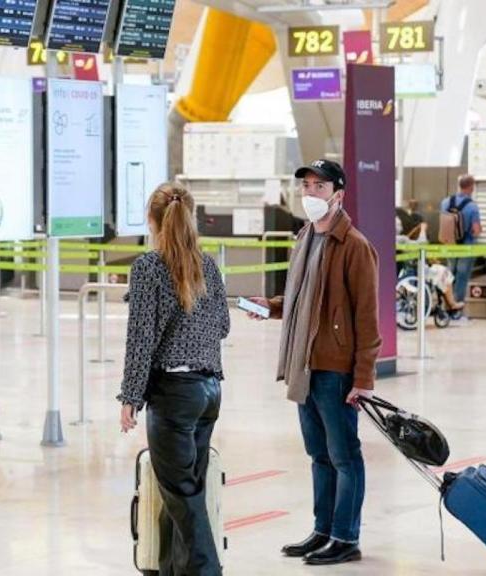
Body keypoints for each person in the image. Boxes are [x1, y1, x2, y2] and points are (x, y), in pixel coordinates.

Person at [248, 159, 382, 566]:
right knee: (319, 455)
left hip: (335, 369)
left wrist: (364, 377)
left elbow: (366, 318)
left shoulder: (355, 246)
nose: (310, 194)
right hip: (305, 364)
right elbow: (302, 297)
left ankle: (346, 537)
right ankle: (323, 530)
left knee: (344, 456)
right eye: (306, 186)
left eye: (319, 187)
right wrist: (271, 307)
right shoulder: (306, 237)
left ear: (338, 195)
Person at [118, 183, 230, 576]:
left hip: (174, 397)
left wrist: (130, 396)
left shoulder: (148, 268)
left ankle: (206, 570)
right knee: (183, 494)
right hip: (209, 392)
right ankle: (171, 570)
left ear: (151, 221)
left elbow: (141, 340)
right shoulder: (208, 264)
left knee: (182, 497)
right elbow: (223, 326)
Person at [439, 174, 483, 322]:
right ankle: (456, 312)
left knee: (449, 276)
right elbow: (476, 230)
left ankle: (446, 307)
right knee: (462, 277)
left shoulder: (445, 202)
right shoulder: (472, 206)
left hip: (450, 245)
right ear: (471, 187)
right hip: (466, 247)